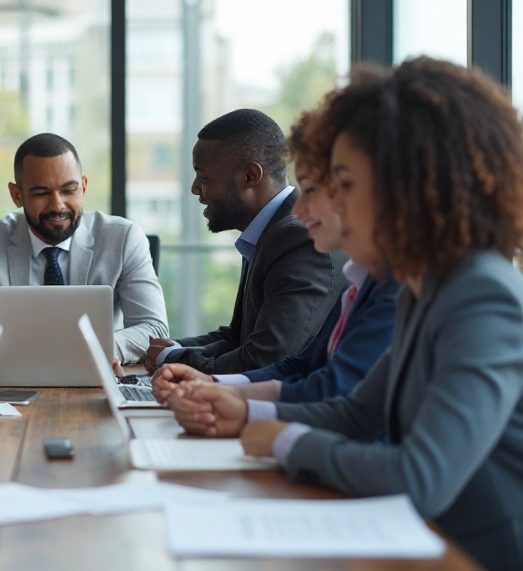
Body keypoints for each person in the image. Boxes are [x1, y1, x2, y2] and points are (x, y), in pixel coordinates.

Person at [169, 58, 523, 570]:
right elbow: (359, 411)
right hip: (415, 537)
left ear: (413, 187)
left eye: (346, 185)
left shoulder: (481, 295)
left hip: (474, 553)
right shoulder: (425, 289)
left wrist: (286, 439)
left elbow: (421, 477)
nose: (330, 203)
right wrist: (246, 411)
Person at [150, 109, 397, 404]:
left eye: (313, 190)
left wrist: (179, 362)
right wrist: (200, 375)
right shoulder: (359, 278)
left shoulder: (299, 238)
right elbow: (284, 357)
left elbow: (274, 361)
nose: (301, 210)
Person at [140, 109, 345, 375]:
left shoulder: (297, 238)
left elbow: (265, 360)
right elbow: (238, 337)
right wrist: (170, 349)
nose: (194, 189)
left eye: (203, 178)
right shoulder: (269, 231)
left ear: (250, 176)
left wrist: (171, 358)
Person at [0, 133, 168, 363]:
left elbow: (155, 329)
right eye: (42, 193)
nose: (57, 205)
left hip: (96, 377)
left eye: (68, 190)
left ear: (83, 187)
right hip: (15, 376)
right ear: (17, 195)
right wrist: (28, 350)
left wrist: (100, 350)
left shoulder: (123, 238)